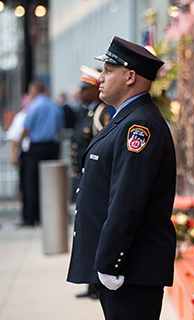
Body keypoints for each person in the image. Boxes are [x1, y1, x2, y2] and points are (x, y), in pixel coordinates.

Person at [66, 36, 177, 320]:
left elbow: (127, 200)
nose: (100, 78)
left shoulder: (139, 126)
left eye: (108, 71)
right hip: (127, 268)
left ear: (130, 76)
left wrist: (109, 263)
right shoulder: (127, 119)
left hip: (130, 269)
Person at [71, 66, 115, 300]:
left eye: (84, 88)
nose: (80, 93)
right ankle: (91, 284)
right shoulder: (88, 112)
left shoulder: (102, 114)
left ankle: (95, 284)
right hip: (84, 180)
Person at [21, 81, 64, 227]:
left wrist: (20, 145)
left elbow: (26, 127)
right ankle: (49, 216)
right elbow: (60, 130)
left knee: (31, 183)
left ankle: (31, 218)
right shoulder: (54, 106)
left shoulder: (35, 106)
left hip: (37, 147)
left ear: (35, 90)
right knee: (51, 183)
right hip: (51, 147)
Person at [6, 95, 30, 227]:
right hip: (25, 154)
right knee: (25, 188)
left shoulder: (31, 113)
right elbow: (14, 137)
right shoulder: (21, 116)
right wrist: (14, 155)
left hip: (31, 153)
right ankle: (27, 216)